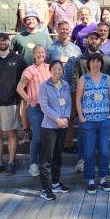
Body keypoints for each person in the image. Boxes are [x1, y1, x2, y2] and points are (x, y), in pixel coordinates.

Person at [0, 33, 27, 177]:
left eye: (5, 39)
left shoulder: (19, 59)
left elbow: (23, 81)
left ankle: (11, 163)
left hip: (11, 102)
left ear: (9, 41)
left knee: (12, 133)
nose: (2, 42)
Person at [76, 54, 110, 194]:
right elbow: (78, 99)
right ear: (88, 64)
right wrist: (81, 116)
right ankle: (90, 180)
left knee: (104, 150)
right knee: (89, 152)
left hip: (104, 120)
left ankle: (103, 179)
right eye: (93, 61)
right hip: (88, 122)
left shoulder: (107, 78)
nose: (95, 64)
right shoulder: (83, 78)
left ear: (101, 64)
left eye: (98, 61)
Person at [46, 21, 82, 155]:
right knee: (55, 116)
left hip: (72, 89)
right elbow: (45, 68)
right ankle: (55, 143)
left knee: (70, 117)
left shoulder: (76, 49)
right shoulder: (50, 48)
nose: (65, 31)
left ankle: (68, 143)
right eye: (62, 29)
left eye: (67, 29)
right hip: (55, 88)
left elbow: (79, 69)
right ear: (57, 30)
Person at [38, 60, 72, 201]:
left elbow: (68, 103)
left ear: (62, 71)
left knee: (58, 156)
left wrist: (66, 118)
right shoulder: (44, 86)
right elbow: (44, 106)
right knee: (47, 158)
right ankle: (45, 189)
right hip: (49, 127)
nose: (57, 72)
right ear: (50, 70)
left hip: (62, 126)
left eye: (60, 69)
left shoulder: (65, 85)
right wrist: (57, 119)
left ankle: (55, 183)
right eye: (55, 69)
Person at [16, 45, 50, 177]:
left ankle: (45, 163)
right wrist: (30, 100)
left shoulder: (49, 68)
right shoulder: (29, 70)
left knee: (47, 137)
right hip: (35, 109)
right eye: (38, 53)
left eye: (42, 52)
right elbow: (19, 88)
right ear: (33, 55)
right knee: (37, 137)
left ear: (45, 54)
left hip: (49, 109)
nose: (40, 54)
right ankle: (33, 164)